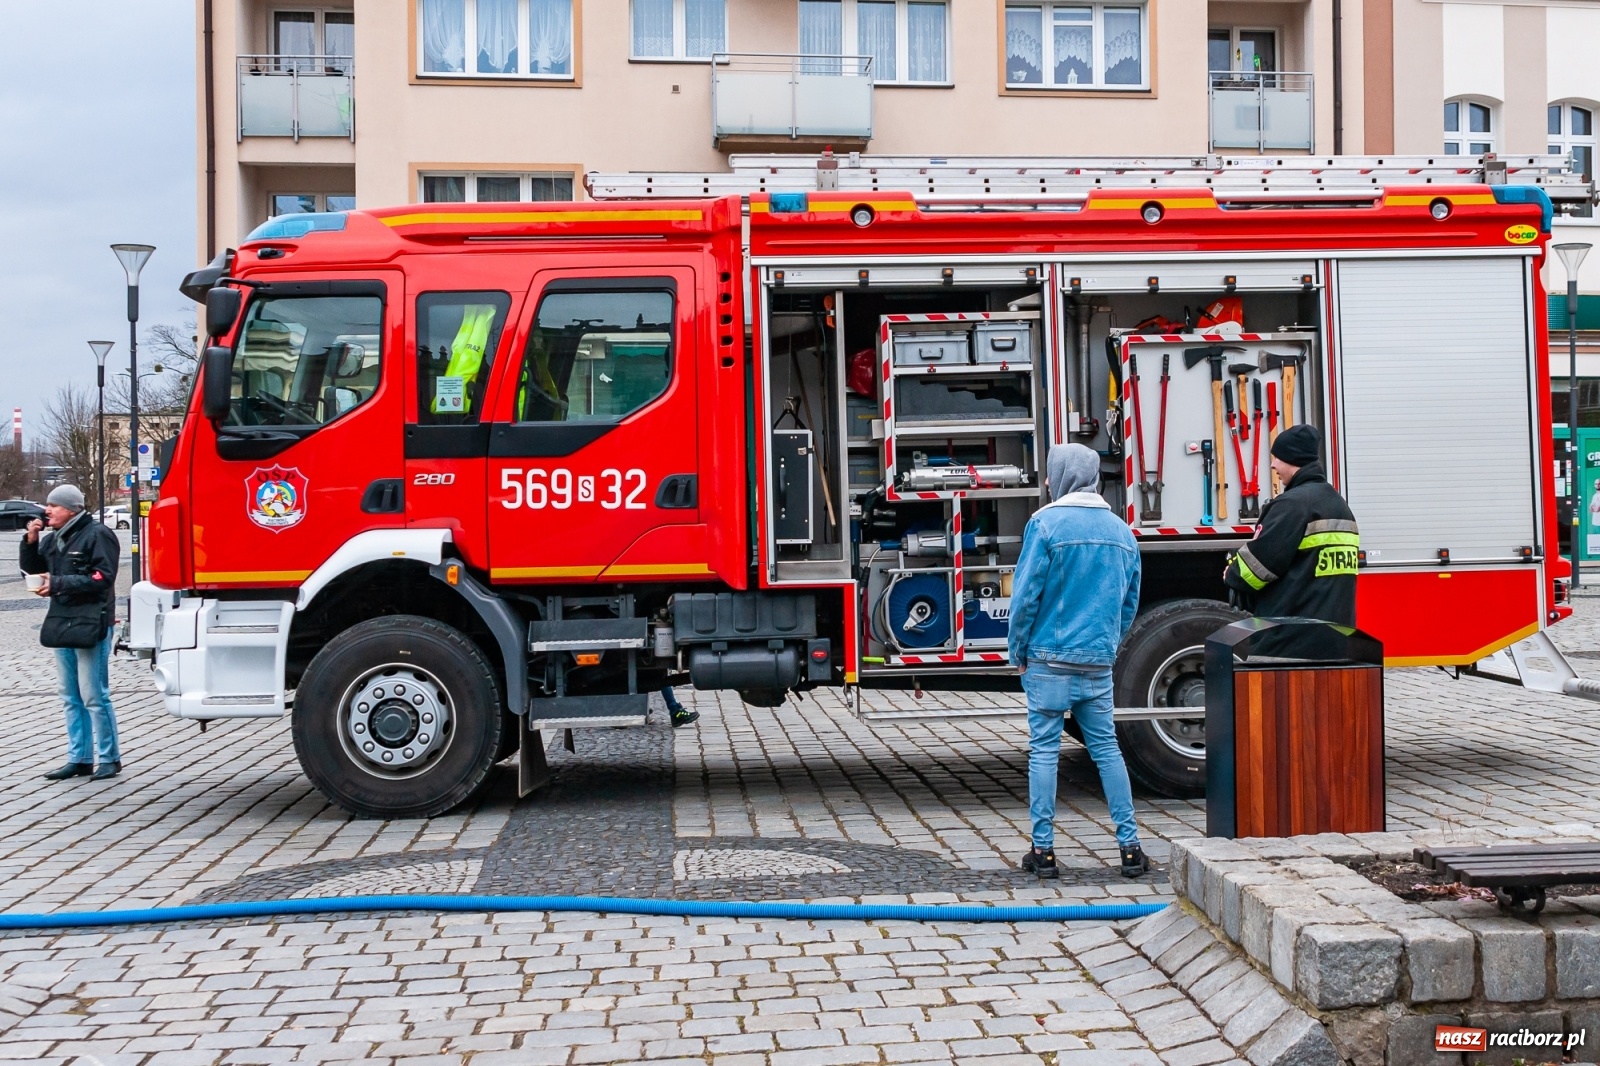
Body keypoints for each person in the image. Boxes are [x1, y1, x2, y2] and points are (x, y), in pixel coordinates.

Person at [1008, 443, 1148, 879]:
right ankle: (1130, 849)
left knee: (1044, 751)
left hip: (1048, 658)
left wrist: (1019, 652)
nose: (1048, 481)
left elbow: (1026, 595)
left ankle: (1043, 852)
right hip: (1096, 662)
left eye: (1051, 474)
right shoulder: (1123, 533)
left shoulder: (1044, 524)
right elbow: (1129, 602)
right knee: (1107, 750)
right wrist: (1107, 646)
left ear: (1061, 477)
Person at [20, 485, 123, 781]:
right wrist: (30, 542)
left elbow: (102, 577)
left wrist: (59, 583)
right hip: (62, 621)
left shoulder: (97, 534)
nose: (47, 510)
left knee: (94, 695)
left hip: (91, 621)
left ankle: (109, 758)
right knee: (70, 695)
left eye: (54, 505)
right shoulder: (54, 539)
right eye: (47, 505)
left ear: (72, 509)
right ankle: (79, 758)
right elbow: (34, 570)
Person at [1223, 425, 1359, 626]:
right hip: (1336, 635)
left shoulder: (1291, 505)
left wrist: (1232, 572)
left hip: (1291, 639)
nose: (1272, 465)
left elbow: (1255, 570)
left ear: (1293, 459)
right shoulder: (1338, 504)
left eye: (1277, 457)